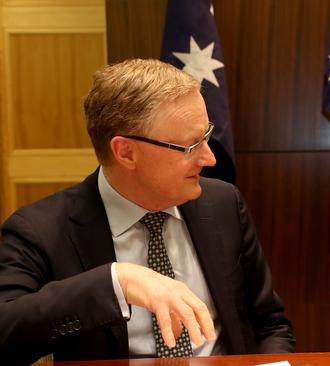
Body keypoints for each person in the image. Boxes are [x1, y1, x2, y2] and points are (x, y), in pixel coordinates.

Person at [0, 59, 295, 364]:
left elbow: (270, 323)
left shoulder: (223, 203)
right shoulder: (43, 228)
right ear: (126, 152)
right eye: (190, 146)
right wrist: (117, 281)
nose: (209, 158)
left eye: (206, 136)